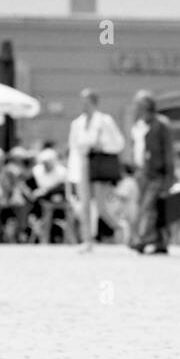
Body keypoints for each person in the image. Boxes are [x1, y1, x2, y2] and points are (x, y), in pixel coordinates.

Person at [66, 88, 125, 252]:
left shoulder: (105, 121)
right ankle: (87, 240)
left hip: (98, 165)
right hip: (82, 165)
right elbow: (73, 148)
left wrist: (102, 146)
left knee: (100, 205)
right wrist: (71, 171)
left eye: (86, 101)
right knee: (84, 205)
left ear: (93, 102)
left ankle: (119, 226)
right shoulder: (76, 123)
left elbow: (119, 143)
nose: (83, 105)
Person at [128, 90, 176, 254]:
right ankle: (160, 242)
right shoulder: (138, 125)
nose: (136, 107)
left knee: (148, 208)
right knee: (150, 208)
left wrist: (170, 177)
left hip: (157, 173)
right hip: (141, 173)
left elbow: (169, 152)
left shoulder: (161, 124)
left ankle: (142, 239)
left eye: (139, 104)